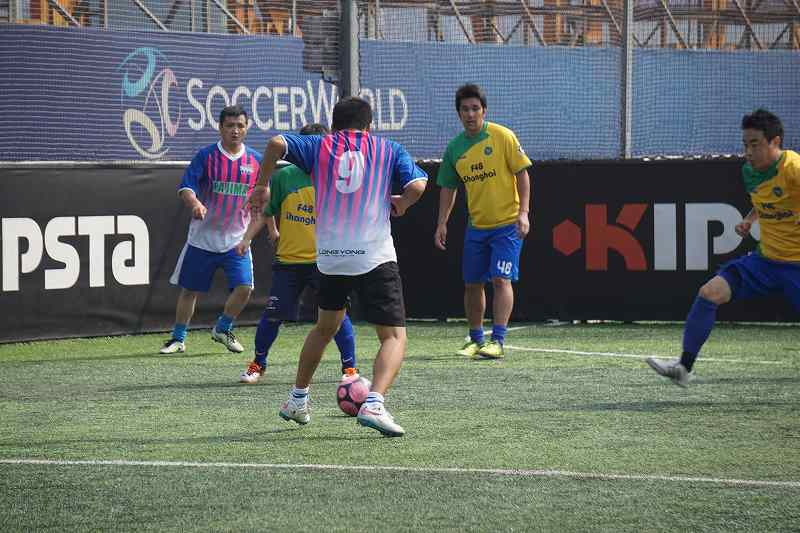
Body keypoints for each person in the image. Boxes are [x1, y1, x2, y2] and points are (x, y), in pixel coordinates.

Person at [250, 96, 427, 437]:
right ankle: (374, 402)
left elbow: (275, 144)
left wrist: (261, 185)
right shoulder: (387, 148)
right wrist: (402, 203)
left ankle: (297, 399)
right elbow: (418, 185)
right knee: (393, 336)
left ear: (333, 126)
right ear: (369, 126)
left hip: (331, 257)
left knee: (324, 328)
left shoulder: (320, 145)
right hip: (373, 255)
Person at [647, 109, 800, 387]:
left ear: (775, 142)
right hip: (766, 261)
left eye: (755, 144)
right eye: (745, 145)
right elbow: (767, 201)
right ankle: (684, 368)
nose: (748, 152)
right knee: (709, 293)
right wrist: (750, 219)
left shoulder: (794, 169)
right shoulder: (750, 172)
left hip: (797, 266)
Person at [234, 123, 358, 384]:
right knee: (273, 314)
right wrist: (247, 237)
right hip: (289, 263)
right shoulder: (284, 177)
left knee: (338, 317)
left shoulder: (338, 176)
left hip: (326, 263)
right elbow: (267, 211)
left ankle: (350, 370)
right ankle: (258, 364)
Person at [434, 83, 532, 360]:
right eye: (465, 109)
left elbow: (522, 174)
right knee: (472, 284)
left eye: (475, 108)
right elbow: (448, 188)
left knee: (501, 279)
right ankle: (476, 339)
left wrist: (524, 213)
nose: (470, 114)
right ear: (458, 114)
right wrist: (441, 223)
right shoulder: (454, 149)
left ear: (484, 110)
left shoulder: (502, 136)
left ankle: (497, 341)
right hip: (476, 228)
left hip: (508, 225)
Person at [159, 105, 262, 355]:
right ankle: (178, 339)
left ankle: (222, 328)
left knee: (245, 288)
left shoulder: (256, 160)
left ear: (247, 128)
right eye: (230, 126)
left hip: (236, 239)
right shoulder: (206, 156)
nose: (235, 130)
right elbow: (186, 188)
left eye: (240, 125)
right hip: (202, 239)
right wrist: (195, 204)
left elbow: (262, 200)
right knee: (189, 291)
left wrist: (257, 232)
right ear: (220, 128)